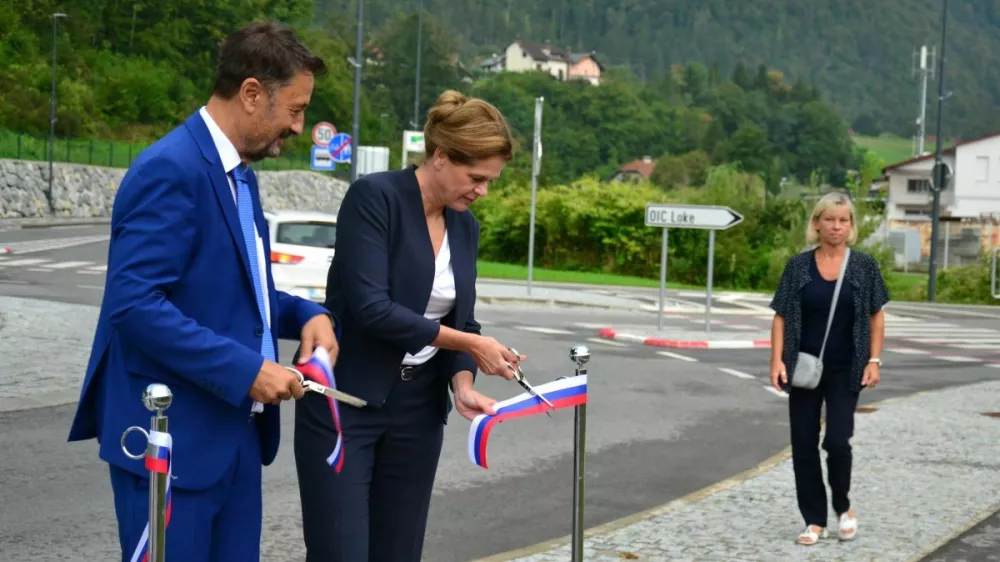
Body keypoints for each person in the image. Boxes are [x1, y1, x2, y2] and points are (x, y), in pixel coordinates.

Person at [67, 22, 337, 562]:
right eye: (296, 108)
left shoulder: (240, 174)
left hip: (234, 438)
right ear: (252, 93)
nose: (301, 126)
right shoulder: (171, 169)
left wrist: (307, 313)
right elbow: (135, 306)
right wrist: (248, 372)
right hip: (171, 444)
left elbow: (239, 293)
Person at [293, 89, 523, 561]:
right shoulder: (375, 198)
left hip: (417, 411)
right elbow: (371, 308)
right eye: (475, 177)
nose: (482, 191)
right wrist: (473, 343)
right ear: (440, 156)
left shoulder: (465, 225)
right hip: (346, 402)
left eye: (490, 180)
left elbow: (461, 318)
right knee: (341, 552)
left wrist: (461, 381)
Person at [768, 192, 889, 546]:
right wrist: (776, 360)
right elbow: (781, 315)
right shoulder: (798, 266)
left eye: (844, 220)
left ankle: (843, 507)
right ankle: (814, 521)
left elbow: (876, 315)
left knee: (837, 441)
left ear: (850, 226)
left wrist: (874, 360)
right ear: (817, 222)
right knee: (803, 443)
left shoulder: (863, 266)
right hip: (803, 367)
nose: (836, 226)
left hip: (846, 368)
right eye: (830, 219)